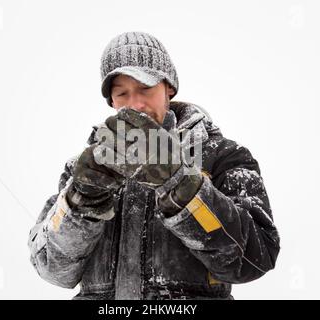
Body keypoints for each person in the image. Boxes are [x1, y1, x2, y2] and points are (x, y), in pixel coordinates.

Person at [28, 31, 280, 300]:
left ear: (168, 87)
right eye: (122, 93)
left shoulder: (223, 155)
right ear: (112, 101)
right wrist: (81, 203)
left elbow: (255, 258)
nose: (135, 104)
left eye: (145, 89)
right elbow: (52, 270)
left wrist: (179, 184)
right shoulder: (84, 168)